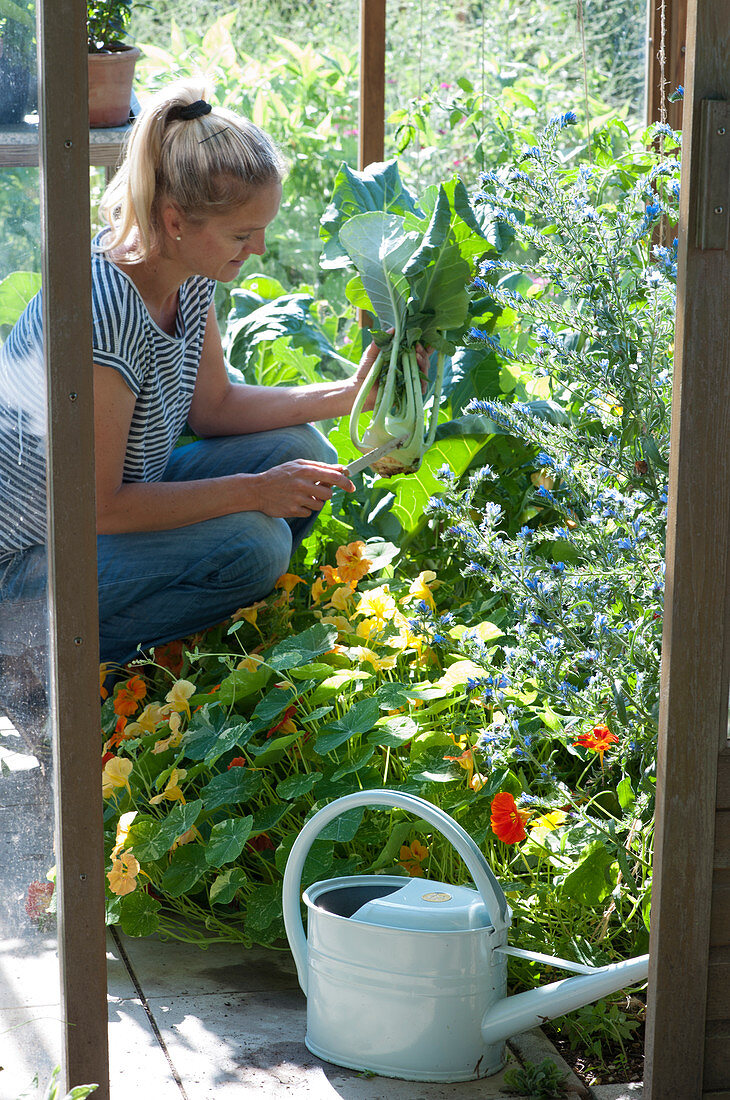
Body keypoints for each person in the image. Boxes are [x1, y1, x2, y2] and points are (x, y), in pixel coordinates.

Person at [0, 80, 429, 709]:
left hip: (98, 513)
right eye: (240, 235)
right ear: (175, 222)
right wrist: (255, 492)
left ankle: (162, 651)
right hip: (28, 563)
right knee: (255, 545)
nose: (257, 249)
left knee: (297, 447)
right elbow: (99, 507)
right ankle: (32, 662)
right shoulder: (104, 307)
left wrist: (351, 393)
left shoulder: (185, 274)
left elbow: (215, 408)